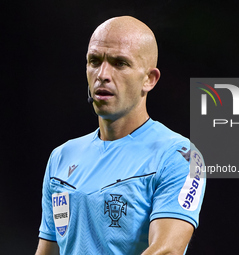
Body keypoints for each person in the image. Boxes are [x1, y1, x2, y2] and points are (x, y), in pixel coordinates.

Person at [35, 16, 206, 255]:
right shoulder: (61, 157)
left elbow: (167, 251)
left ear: (149, 79)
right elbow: (48, 251)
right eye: (94, 61)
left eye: (119, 63)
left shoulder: (182, 157)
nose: (102, 74)